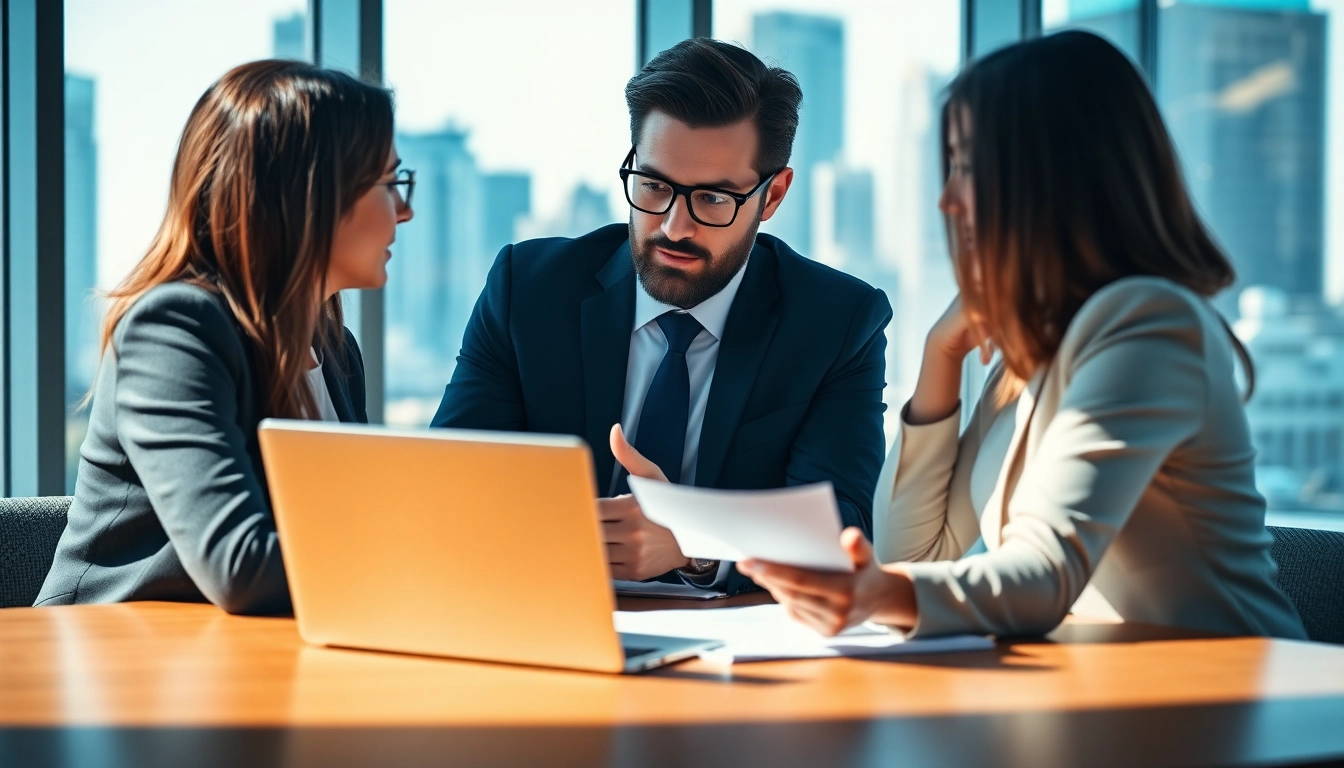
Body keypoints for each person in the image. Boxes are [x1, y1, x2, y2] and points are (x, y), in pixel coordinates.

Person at [739, 31, 1308, 640]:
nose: (948, 200)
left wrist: (879, 595)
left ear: (1054, 177)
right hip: (1106, 699)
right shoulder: (1030, 355)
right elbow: (915, 555)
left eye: (969, 167)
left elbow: (1042, 575)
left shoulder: (1151, 325)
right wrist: (940, 355)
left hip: (1234, 705)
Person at [432, 38, 892, 595]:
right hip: (542, 615)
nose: (675, 227)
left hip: (734, 657)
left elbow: (841, 531)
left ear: (772, 197)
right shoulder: (528, 290)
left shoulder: (836, 321)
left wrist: (693, 538)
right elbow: (450, 486)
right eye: (653, 186)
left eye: (715, 199)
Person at [35, 60, 415, 615]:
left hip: (251, 660)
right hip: (108, 667)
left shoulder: (335, 351)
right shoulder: (174, 329)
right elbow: (240, 566)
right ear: (311, 196)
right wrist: (427, 558)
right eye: (390, 184)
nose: (404, 211)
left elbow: (343, 532)